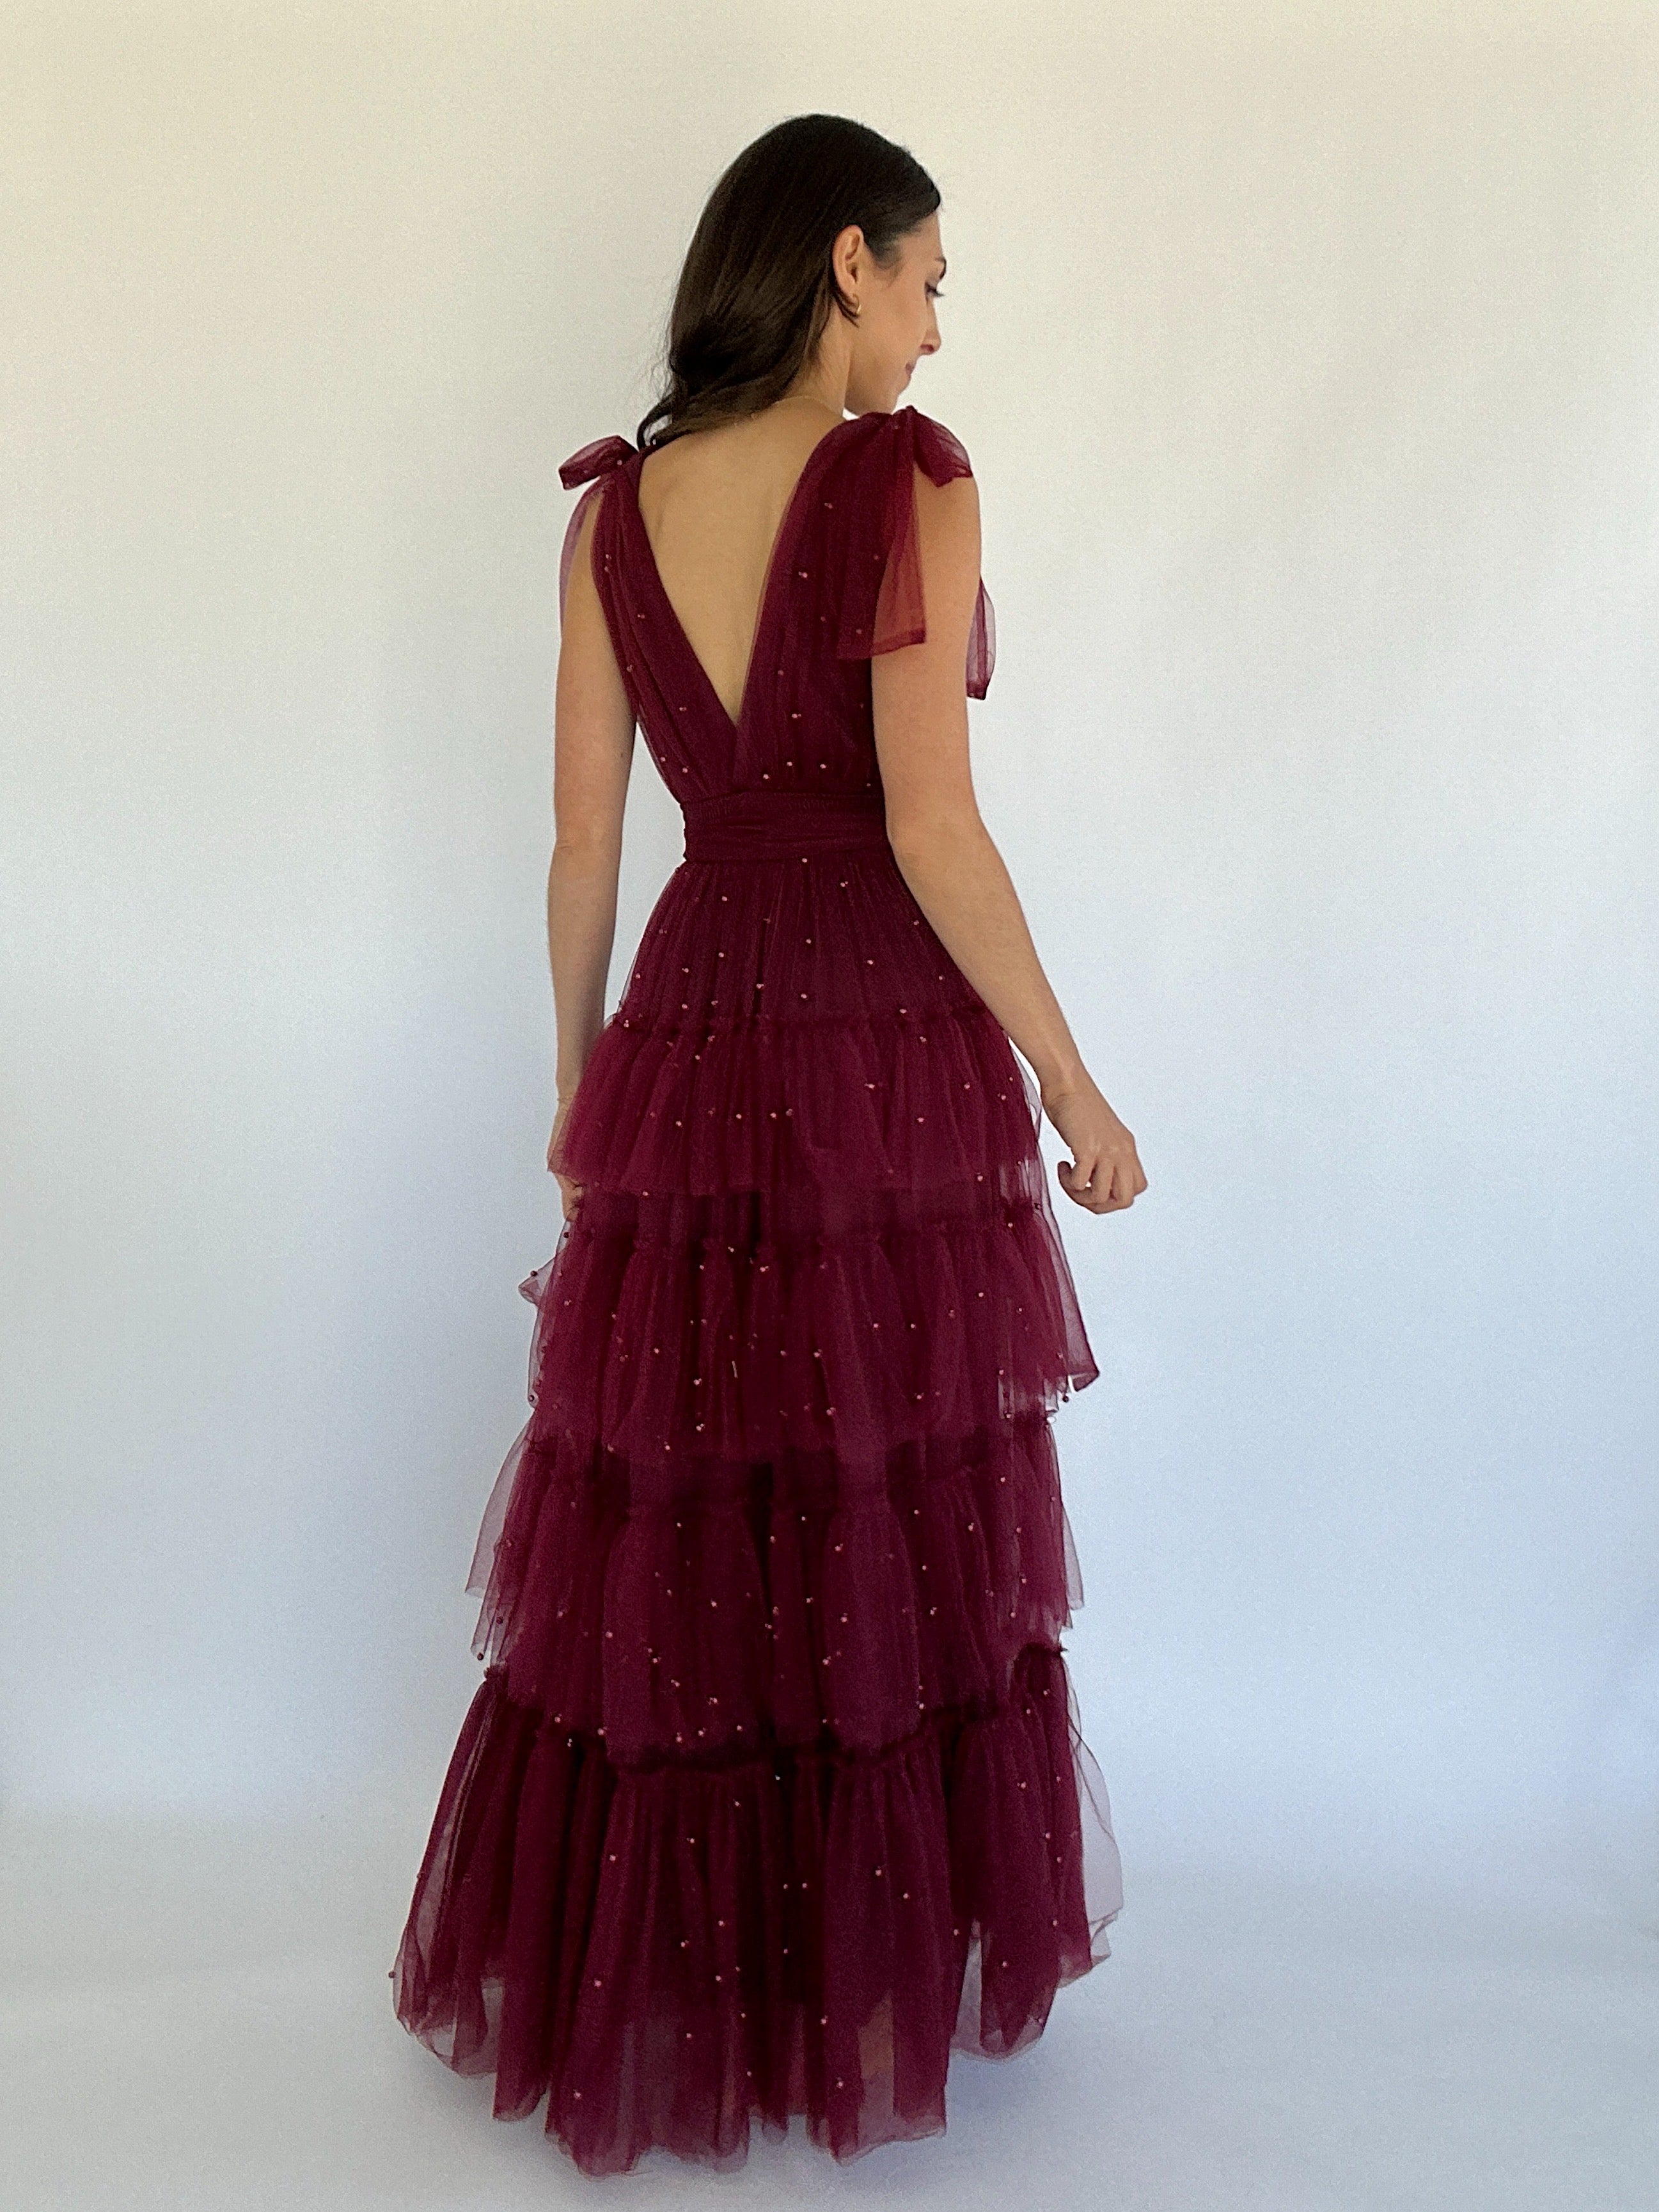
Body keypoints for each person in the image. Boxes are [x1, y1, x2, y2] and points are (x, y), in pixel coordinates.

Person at [390, 111, 1148, 2179]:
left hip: (691, 1016)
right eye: (921, 276)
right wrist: (1073, 1087)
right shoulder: (906, 479)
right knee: (871, 1501)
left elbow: (577, 840)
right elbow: (929, 824)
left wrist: (575, 1095)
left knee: (695, 1499)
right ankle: (846, 1972)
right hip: (872, 1037)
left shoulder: (611, 514)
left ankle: (693, 1975)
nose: (929, 317)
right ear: (838, 262)